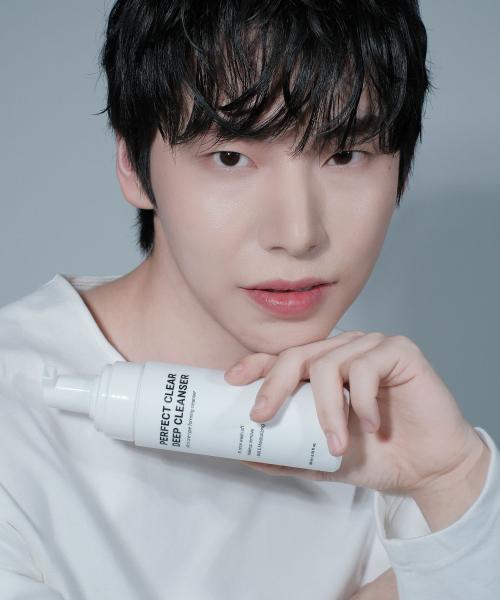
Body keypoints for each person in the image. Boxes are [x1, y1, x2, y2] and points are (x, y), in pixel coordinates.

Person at [0, 1, 498, 598]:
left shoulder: (397, 427)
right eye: (231, 157)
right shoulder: (16, 420)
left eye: (344, 154)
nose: (298, 233)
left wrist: (455, 482)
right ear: (133, 164)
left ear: (401, 173)